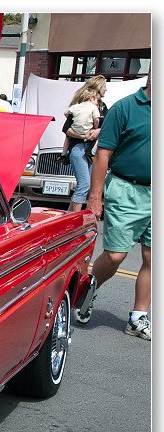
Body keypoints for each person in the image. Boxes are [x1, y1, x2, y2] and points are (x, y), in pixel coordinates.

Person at [80, 73, 151, 340]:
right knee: (115, 256)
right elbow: (103, 153)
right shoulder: (125, 107)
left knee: (152, 258)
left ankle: (137, 317)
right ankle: (87, 289)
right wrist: (95, 196)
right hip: (126, 189)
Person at [63, 78, 105, 213]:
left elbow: (107, 127)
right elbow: (66, 129)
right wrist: (84, 136)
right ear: (97, 88)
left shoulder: (103, 107)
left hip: (93, 150)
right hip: (80, 148)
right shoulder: (80, 107)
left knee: (88, 186)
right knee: (84, 184)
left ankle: (68, 216)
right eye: (104, 86)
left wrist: (98, 130)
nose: (106, 89)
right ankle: (75, 217)